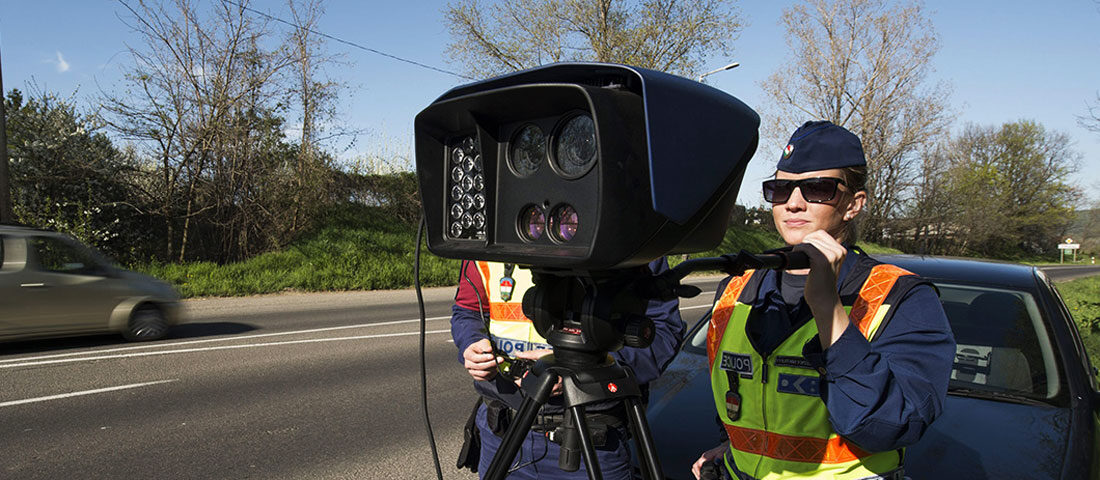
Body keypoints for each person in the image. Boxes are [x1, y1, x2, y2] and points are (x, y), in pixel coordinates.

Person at [691, 121, 955, 480]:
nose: (793, 203)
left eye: (817, 188)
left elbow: (888, 426)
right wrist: (731, 444)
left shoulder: (900, 297)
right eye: (780, 189)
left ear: (853, 204)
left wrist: (830, 312)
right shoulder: (738, 286)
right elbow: (737, 399)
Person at [452, 259, 684, 479]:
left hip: (590, 441)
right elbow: (467, 311)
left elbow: (662, 333)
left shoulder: (629, 233)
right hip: (501, 433)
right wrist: (471, 342)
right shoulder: (490, 237)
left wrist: (586, 370)